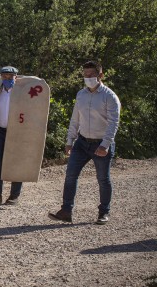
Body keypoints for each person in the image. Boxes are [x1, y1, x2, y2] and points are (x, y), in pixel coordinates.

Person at [49, 61, 121, 225]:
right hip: (81, 142)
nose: (88, 78)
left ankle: (104, 212)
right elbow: (75, 119)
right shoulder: (81, 94)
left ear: (100, 75)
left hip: (101, 143)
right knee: (70, 176)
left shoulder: (110, 97)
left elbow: (113, 123)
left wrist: (105, 145)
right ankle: (66, 211)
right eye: (85, 75)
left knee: (103, 179)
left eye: (91, 75)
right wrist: (69, 140)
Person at [0, 66, 23, 205]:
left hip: (16, 132)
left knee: (15, 163)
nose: (7, 79)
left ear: (16, 77)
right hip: (1, 130)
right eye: (5, 76)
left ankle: (14, 195)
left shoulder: (20, 93)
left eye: (10, 77)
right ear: (1, 77)